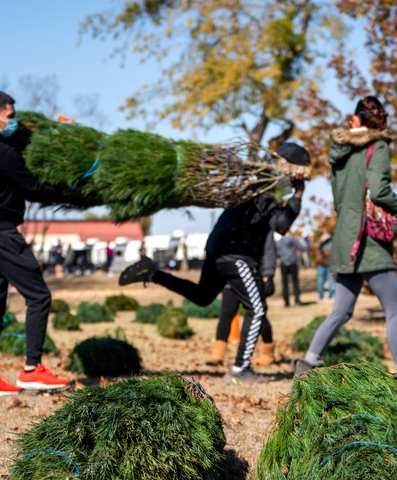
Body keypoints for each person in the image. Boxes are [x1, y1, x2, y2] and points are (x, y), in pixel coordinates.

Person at [120, 142, 311, 384]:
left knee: (203, 296)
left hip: (217, 248)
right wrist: (298, 195)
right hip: (236, 255)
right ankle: (241, 369)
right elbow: (281, 225)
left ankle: (152, 273)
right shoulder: (264, 190)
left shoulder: (253, 185)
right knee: (258, 309)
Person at [293, 95, 397, 398]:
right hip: (369, 241)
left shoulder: (338, 153)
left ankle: (306, 364)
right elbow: (380, 192)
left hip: (344, 238)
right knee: (394, 309)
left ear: (356, 120)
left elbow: (340, 201)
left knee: (341, 310)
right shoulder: (378, 147)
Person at [0, 90, 70, 396]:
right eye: (10, 117)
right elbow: (32, 188)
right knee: (39, 296)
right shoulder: (2, 152)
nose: (14, 123)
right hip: (1, 233)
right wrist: (65, 191)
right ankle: (32, 370)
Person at [206, 231, 277, 367]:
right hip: (230, 278)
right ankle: (217, 353)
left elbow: (269, 251)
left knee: (259, 313)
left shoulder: (263, 225)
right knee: (227, 313)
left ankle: (268, 353)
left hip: (253, 275)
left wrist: (268, 273)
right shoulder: (231, 223)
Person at [277, 230, 305, 306]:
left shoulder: (279, 241)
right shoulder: (293, 240)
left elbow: (277, 253)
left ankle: (286, 302)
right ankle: (297, 301)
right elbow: (302, 248)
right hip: (293, 263)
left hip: (283, 263)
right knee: (295, 282)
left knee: (285, 283)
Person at [313, 231, 335, 301]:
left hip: (330, 264)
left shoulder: (332, 242)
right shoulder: (320, 243)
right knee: (320, 281)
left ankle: (331, 295)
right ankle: (321, 296)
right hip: (321, 264)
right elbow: (315, 248)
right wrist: (321, 240)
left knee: (331, 280)